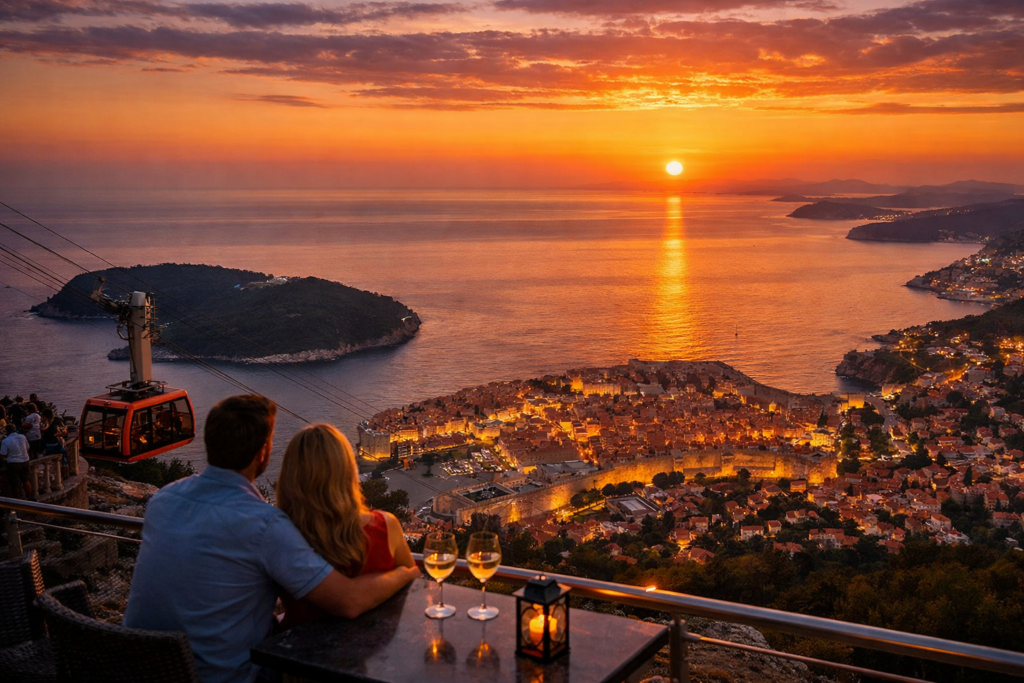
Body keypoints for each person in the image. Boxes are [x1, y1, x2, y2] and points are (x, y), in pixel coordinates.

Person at [124, 395, 419, 683]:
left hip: (139, 667)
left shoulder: (164, 500)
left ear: (209, 442)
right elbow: (349, 601)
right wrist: (406, 571)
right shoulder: (263, 525)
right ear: (263, 453)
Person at [276, 424, 415, 627]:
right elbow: (412, 579)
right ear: (348, 469)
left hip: (297, 652)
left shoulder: (279, 536)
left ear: (290, 475)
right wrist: (405, 572)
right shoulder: (386, 526)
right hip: (375, 649)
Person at [1, 424, 33, 500]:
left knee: (14, 483)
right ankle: (29, 498)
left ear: (7, 432)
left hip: (13, 463)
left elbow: (3, 454)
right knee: (26, 480)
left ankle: (17, 500)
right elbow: (27, 447)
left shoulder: (5, 441)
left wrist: (5, 460)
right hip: (25, 461)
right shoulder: (23, 437)